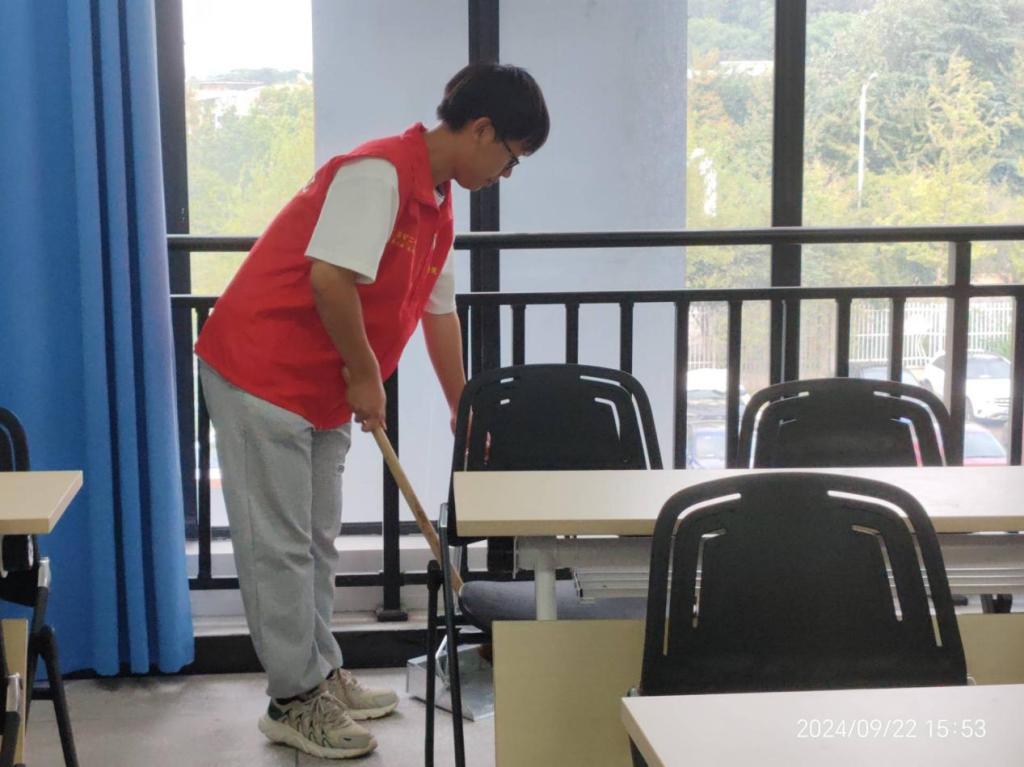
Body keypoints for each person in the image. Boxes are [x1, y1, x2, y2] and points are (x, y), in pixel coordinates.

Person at [194, 63, 549, 759]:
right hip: (261, 371)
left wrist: (463, 409)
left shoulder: (438, 205)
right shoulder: (379, 174)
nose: (506, 174)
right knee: (279, 549)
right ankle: (293, 700)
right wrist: (364, 372)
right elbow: (329, 279)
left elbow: (438, 314)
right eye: (511, 158)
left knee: (315, 541)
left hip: (320, 384)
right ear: (482, 131)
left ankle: (320, 674)